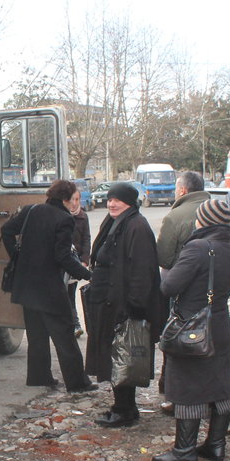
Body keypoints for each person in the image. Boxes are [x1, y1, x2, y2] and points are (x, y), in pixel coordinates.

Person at [153, 199, 230, 461]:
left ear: (204, 221)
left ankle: (185, 451)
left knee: (188, 386)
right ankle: (216, 444)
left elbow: (169, 287)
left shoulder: (198, 248)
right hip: (219, 325)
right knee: (219, 385)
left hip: (192, 327)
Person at [83, 182, 166, 427]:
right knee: (117, 355)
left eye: (117, 200)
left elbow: (143, 271)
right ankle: (124, 406)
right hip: (109, 301)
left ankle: (124, 409)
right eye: (109, 199)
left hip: (124, 306)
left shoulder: (137, 227)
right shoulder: (116, 222)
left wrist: (133, 307)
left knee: (124, 355)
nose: (111, 203)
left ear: (130, 202)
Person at [1, 180, 96, 393]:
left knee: (36, 336)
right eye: (72, 199)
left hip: (25, 284)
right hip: (49, 288)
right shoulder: (64, 219)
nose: (73, 204)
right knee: (65, 336)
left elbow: (6, 230)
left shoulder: (30, 210)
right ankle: (78, 383)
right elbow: (63, 256)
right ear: (65, 199)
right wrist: (87, 274)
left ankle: (38, 377)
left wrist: (17, 255)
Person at [155, 171, 210, 414]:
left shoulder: (176, 216)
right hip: (212, 290)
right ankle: (206, 391)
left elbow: (164, 258)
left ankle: (171, 388)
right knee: (207, 336)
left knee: (176, 337)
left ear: (183, 191)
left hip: (181, 288)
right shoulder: (218, 210)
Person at [156, 171, 210, 271]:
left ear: (182, 190)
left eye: (175, 188)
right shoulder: (221, 211)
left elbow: (164, 259)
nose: (174, 192)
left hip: (184, 276)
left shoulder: (174, 217)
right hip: (217, 277)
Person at [68, 188, 92, 337]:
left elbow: (86, 239)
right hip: (63, 262)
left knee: (70, 295)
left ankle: (75, 325)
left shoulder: (83, 216)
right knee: (63, 296)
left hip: (76, 263)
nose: (74, 203)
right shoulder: (62, 216)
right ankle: (72, 324)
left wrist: (84, 260)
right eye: (72, 200)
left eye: (77, 199)